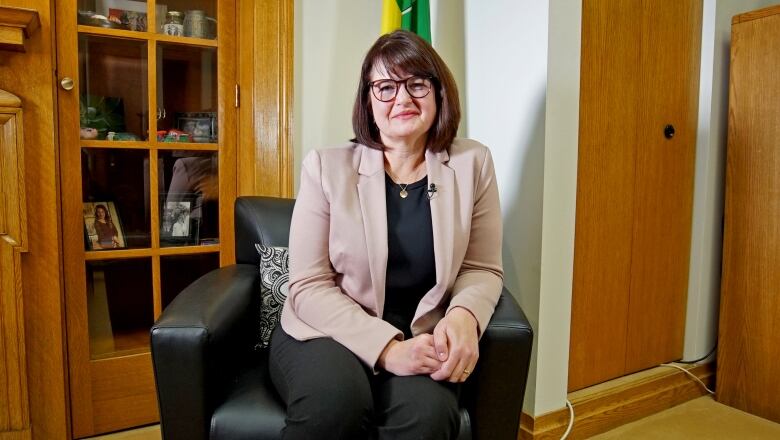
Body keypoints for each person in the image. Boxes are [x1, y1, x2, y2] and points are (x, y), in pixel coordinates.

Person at [269, 30, 503, 440]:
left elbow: (481, 268)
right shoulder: (326, 167)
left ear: (438, 92)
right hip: (328, 329)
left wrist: (465, 314)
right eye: (386, 86)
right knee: (334, 405)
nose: (402, 98)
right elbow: (307, 285)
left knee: (428, 419)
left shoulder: (473, 163)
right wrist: (387, 350)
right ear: (368, 101)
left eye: (417, 84)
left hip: (423, 333)